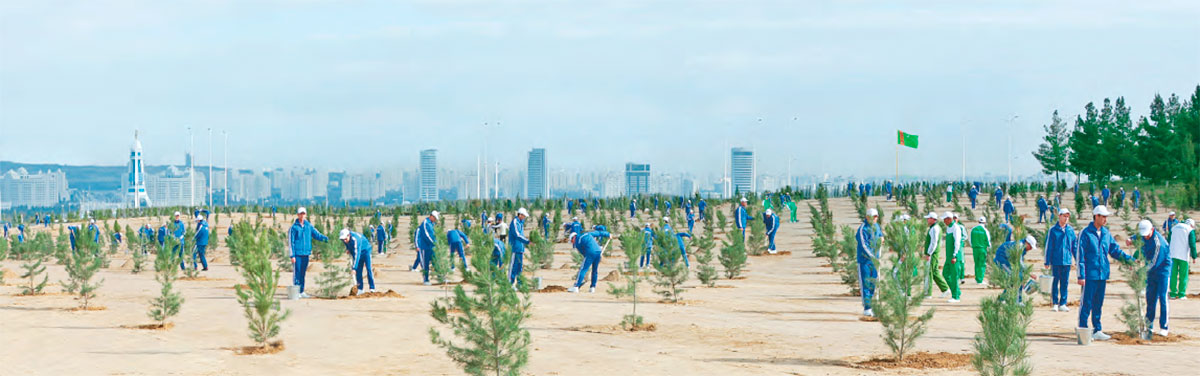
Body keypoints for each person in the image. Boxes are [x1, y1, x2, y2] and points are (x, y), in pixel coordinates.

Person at [1077, 206, 1134, 341]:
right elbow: (1080, 255)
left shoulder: (1106, 234)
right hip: (1089, 275)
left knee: (1098, 303)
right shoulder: (1085, 234)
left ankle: (1097, 329)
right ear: (1096, 216)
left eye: (1106, 217)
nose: (1105, 219)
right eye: (1103, 216)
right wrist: (1081, 275)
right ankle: (1083, 330)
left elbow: (1115, 251)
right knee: (1086, 303)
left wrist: (1129, 261)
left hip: (1102, 274)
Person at [1136, 219, 1171, 336]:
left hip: (1162, 271)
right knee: (1150, 297)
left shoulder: (1158, 243)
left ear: (1152, 230)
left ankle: (1164, 327)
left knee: (1162, 297)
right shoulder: (1144, 235)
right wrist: (1130, 239)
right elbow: (1137, 236)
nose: (1145, 237)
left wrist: (1141, 271)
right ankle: (1149, 325)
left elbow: (1154, 263)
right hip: (1151, 271)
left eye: (1147, 235)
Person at [288, 207, 328, 298]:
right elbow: (291, 242)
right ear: (297, 215)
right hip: (297, 254)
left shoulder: (309, 226)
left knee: (303, 273)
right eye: (300, 214)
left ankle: (302, 291)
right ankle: (296, 292)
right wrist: (292, 255)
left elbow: (317, 235)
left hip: (306, 254)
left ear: (305, 215)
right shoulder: (293, 228)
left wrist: (327, 239)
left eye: (303, 214)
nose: (302, 215)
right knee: (297, 273)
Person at [1044, 208, 1077, 312]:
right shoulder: (1053, 230)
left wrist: (1077, 259)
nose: (1066, 218)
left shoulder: (1070, 230)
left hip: (1067, 261)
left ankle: (1063, 303)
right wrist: (1047, 261)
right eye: (1064, 216)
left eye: (1067, 216)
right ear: (1059, 216)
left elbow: (1074, 246)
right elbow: (1049, 246)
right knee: (1055, 282)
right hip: (1056, 260)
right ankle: (1054, 303)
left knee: (1065, 282)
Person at [856, 208, 883, 316]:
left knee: (873, 283)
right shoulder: (863, 229)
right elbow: (863, 245)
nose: (875, 218)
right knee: (866, 283)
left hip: (875, 261)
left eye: (876, 216)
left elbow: (880, 235)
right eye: (873, 217)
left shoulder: (876, 226)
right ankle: (867, 307)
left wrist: (881, 237)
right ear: (867, 217)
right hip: (865, 261)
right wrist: (872, 257)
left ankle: (873, 306)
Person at [1168, 219, 1196, 300]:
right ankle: (1181, 294)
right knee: (1183, 275)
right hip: (1183, 256)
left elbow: (1168, 240)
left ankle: (1172, 294)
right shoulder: (1190, 230)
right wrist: (1194, 256)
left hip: (1172, 255)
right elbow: (1192, 244)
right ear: (1192, 225)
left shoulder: (1174, 228)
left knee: (1173, 275)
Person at [942, 212, 964, 302]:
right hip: (948, 256)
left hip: (954, 256)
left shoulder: (956, 228)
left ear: (949, 219)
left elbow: (957, 242)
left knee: (954, 276)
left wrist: (954, 255)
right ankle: (957, 291)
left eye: (945, 219)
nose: (944, 221)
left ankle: (956, 297)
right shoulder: (948, 228)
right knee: (945, 273)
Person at [924, 212, 948, 295]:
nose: (927, 220)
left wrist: (928, 253)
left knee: (929, 272)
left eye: (928, 218)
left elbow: (933, 242)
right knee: (934, 272)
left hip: (932, 254)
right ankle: (945, 289)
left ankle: (928, 293)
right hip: (934, 253)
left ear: (933, 219)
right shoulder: (935, 228)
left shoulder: (934, 229)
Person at [415, 211, 440, 286]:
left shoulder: (431, 224)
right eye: (435, 218)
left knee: (436, 261)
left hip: (432, 246)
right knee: (425, 264)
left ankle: (440, 276)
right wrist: (434, 243)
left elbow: (434, 235)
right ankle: (426, 279)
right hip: (425, 247)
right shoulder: (425, 223)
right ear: (431, 216)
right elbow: (427, 235)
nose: (435, 219)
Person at [508, 208, 531, 286]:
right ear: (520, 215)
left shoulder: (520, 223)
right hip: (514, 248)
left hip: (520, 249)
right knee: (513, 267)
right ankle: (509, 284)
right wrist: (528, 242)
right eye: (524, 216)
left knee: (519, 268)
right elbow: (517, 235)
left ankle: (519, 285)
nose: (524, 217)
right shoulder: (514, 222)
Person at [970, 216, 992, 285]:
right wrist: (990, 249)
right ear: (985, 222)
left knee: (976, 264)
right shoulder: (985, 230)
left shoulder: (973, 229)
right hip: (982, 249)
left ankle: (977, 278)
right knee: (982, 264)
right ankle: (980, 280)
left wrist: (973, 246)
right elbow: (988, 241)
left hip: (975, 249)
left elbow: (970, 240)